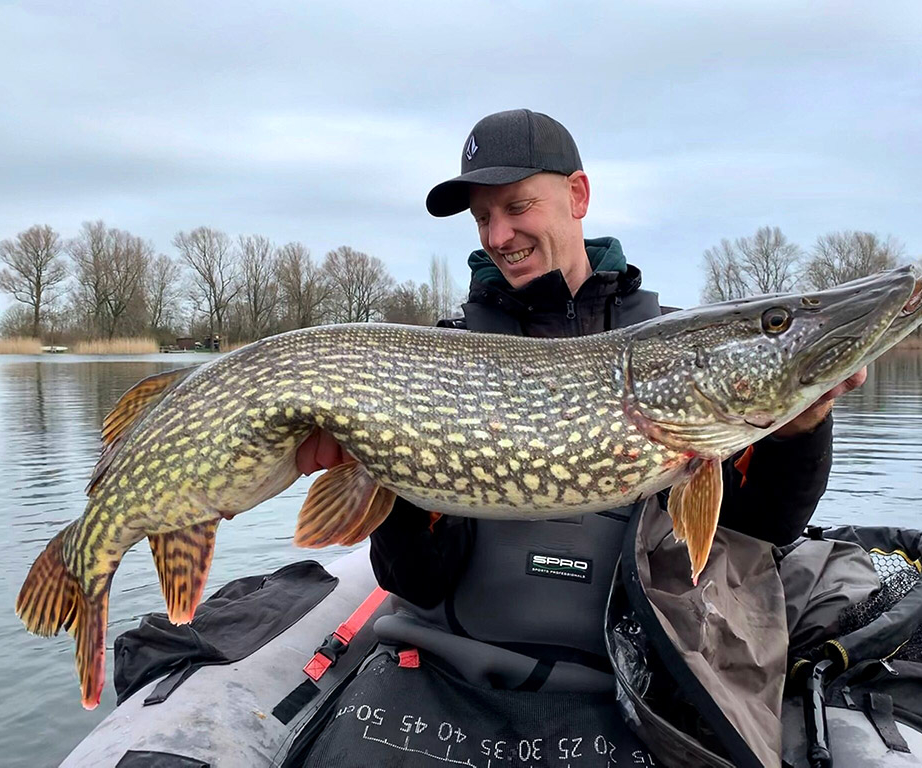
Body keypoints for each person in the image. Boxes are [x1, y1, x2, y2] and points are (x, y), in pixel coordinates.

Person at [294, 109, 865, 765]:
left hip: (632, 691)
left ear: (578, 195)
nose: (499, 234)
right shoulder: (444, 357)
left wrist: (802, 430)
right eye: (482, 218)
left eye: (516, 206)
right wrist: (385, 462)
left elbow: (763, 527)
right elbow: (416, 581)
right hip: (455, 682)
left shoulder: (678, 350)